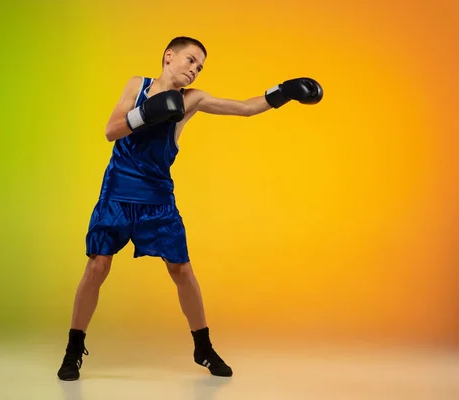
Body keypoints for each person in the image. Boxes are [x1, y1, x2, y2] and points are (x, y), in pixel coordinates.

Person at [57, 36, 323, 381]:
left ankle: (203, 348)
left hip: (158, 198)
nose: (194, 70)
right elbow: (111, 131)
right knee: (97, 267)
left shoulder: (191, 100)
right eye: (191, 60)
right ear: (169, 57)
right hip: (118, 194)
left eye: (200, 67)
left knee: (181, 272)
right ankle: (73, 349)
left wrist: (283, 92)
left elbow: (243, 108)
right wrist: (148, 113)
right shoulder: (137, 85)